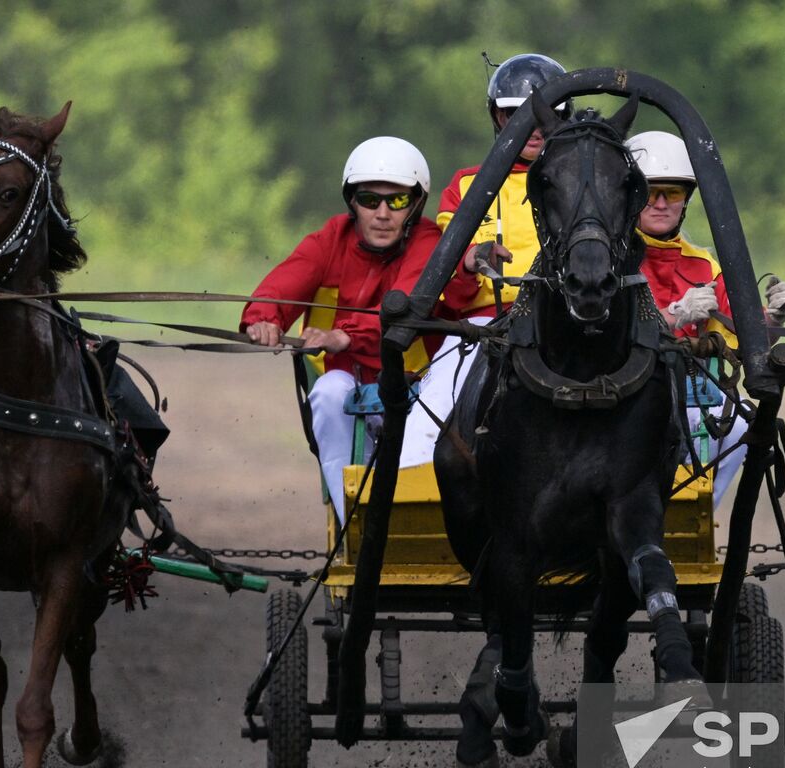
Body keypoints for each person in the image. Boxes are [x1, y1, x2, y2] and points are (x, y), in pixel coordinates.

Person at [241, 136, 471, 524]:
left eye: (396, 201)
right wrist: (263, 318)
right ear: (353, 202)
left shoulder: (430, 241)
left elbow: (408, 304)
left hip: (420, 385)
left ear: (415, 204)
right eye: (369, 200)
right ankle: (357, 523)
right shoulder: (330, 238)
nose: (382, 213)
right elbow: (286, 281)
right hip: (347, 382)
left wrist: (344, 335)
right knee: (329, 394)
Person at [402, 52, 573, 459]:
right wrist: (467, 261)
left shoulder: (587, 183)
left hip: (569, 324)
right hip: (484, 327)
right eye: (515, 113)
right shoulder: (466, 187)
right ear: (496, 117)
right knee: (428, 418)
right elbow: (456, 296)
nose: (532, 127)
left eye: (545, 114)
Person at [624, 130, 785, 501]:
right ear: (629, 196)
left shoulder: (704, 265)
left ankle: (698, 518)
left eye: (672, 193)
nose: (660, 203)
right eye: (650, 192)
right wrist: (673, 318)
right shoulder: (607, 260)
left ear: (685, 201)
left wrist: (774, 320)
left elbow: (744, 340)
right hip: (624, 393)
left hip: (689, 394)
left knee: (737, 425)